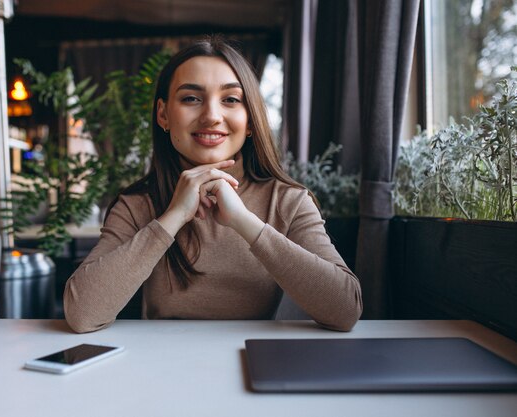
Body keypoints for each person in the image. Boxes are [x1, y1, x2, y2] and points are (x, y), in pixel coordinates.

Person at [64, 37, 362, 333]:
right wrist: (173, 216)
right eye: (191, 98)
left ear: (250, 121)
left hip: (253, 363)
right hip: (160, 367)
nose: (211, 116)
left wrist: (245, 222)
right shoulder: (137, 204)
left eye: (231, 99)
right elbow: (82, 314)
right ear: (163, 115)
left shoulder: (288, 201)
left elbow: (345, 311)